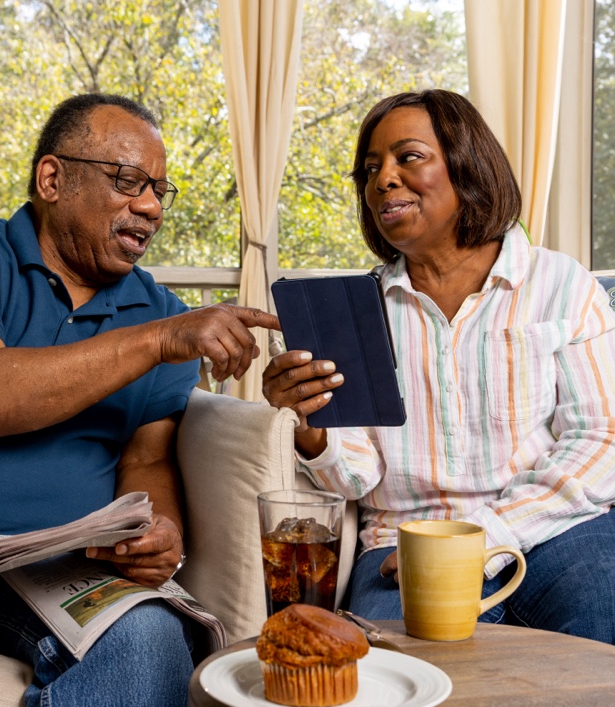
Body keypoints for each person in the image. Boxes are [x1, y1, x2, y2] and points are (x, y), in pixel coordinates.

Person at [0, 92, 280, 707]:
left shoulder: (159, 312)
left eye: (159, 189)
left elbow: (147, 457)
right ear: (53, 178)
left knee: (152, 640)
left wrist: (161, 529)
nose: (151, 207)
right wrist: (157, 341)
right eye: (129, 180)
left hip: (60, 565)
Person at [262, 89, 615, 643]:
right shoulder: (353, 313)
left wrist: (490, 533)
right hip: (406, 544)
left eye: (409, 157)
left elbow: (601, 438)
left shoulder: (561, 284)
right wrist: (309, 427)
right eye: (372, 169)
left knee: (601, 637)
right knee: (401, 671)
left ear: (467, 164)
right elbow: (357, 478)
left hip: (554, 530)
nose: (384, 180)